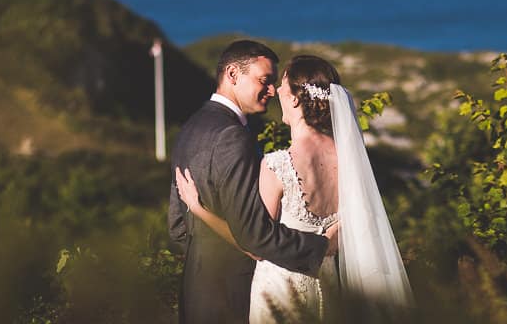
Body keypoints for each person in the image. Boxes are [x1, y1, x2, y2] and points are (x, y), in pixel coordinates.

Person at [177, 54, 413, 323]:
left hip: (281, 291)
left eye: (283, 84)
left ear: (294, 98)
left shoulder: (278, 165)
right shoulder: (350, 159)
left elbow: (256, 243)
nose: (276, 90)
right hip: (329, 285)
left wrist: (198, 208)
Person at [168, 40, 335, 324]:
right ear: (233, 74)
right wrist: (321, 247)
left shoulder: (191, 127)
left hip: (198, 291)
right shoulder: (233, 137)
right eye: (264, 80)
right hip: (233, 295)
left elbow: (177, 228)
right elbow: (254, 236)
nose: (271, 91)